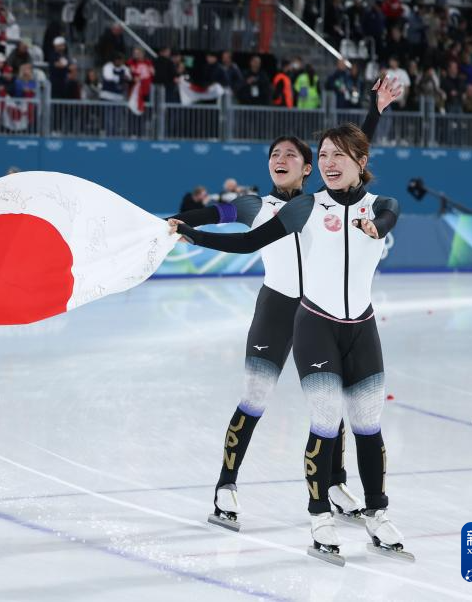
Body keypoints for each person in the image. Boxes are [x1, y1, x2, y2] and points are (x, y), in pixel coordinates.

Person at [174, 80, 410, 566]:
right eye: (274, 153)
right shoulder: (272, 206)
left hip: (342, 317)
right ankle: (229, 485)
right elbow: (227, 221)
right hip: (285, 312)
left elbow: (354, 156)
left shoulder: (348, 196)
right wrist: (186, 227)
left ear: (307, 168)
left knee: (350, 415)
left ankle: (342, 489)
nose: (280, 158)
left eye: (292, 154)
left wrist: (375, 110)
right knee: (263, 402)